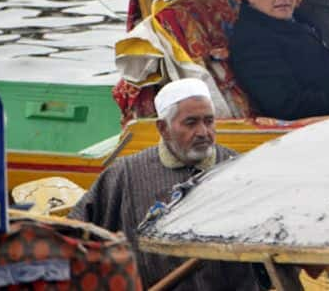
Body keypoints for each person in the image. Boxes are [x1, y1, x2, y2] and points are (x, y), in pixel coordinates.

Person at [68, 78, 260, 291]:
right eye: (191, 123)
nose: (203, 132)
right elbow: (77, 233)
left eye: (209, 121)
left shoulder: (240, 169)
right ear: (163, 128)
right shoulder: (126, 173)